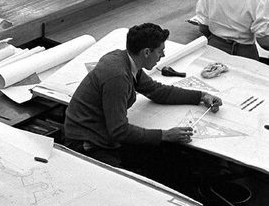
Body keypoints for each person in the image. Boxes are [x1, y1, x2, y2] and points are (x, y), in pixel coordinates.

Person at [63, 23, 223, 169]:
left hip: (100, 132)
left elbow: (157, 91)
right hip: (88, 143)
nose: (163, 56)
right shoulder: (118, 76)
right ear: (146, 52)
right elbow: (119, 131)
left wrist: (201, 96)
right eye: (160, 51)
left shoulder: (127, 61)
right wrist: (165, 135)